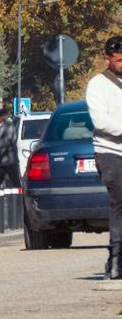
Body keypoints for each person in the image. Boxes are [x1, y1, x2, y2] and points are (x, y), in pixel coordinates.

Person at [85, 35, 122, 279]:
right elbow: (100, 121)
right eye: (119, 60)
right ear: (108, 58)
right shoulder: (97, 85)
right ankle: (117, 256)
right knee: (120, 200)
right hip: (110, 151)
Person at [0, 107, 20, 190]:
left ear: (3, 116)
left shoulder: (9, 125)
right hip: (1, 161)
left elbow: (6, 142)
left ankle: (20, 200)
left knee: (15, 182)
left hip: (9, 160)